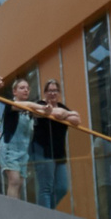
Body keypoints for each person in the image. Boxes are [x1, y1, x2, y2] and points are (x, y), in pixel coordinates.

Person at [30, 79, 79, 209]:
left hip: (59, 154)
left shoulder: (62, 107)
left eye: (55, 91)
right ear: (45, 93)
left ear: (59, 93)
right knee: (46, 188)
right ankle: (46, 218)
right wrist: (66, 114)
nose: (52, 93)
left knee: (62, 187)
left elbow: (77, 119)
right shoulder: (40, 104)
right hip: (42, 151)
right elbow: (56, 114)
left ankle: (47, 211)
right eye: (50, 91)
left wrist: (63, 114)